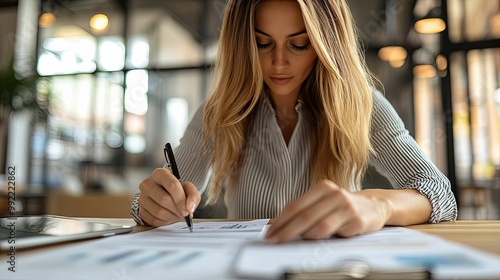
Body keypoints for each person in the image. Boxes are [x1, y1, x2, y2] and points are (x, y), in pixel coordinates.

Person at [131, 0, 457, 243]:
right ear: (243, 43)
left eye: (299, 44)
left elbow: (439, 193)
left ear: (325, 45)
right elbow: (158, 201)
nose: (279, 62)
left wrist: (378, 204)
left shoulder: (362, 105)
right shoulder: (218, 112)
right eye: (262, 43)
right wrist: (152, 205)